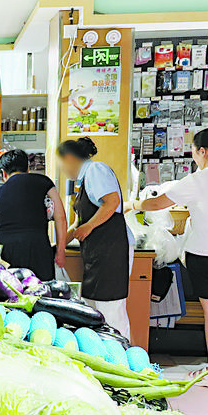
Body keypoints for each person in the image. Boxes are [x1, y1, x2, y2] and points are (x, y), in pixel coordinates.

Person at [130, 128, 208, 390]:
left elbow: (156, 204)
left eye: (194, 152)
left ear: (203, 152)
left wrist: (134, 205)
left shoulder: (195, 180)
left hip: (205, 255)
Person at [58, 137, 133, 340]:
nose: (63, 169)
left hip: (111, 251)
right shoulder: (83, 181)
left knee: (111, 311)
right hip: (97, 254)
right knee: (95, 311)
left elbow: (112, 201)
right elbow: (78, 224)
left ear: (72, 158)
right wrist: (59, 244)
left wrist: (89, 226)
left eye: (62, 163)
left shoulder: (96, 170)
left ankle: (121, 363)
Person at [0, 149, 66, 282]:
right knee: (42, 291)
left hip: (6, 250)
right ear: (27, 169)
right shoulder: (44, 181)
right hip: (36, 247)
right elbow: (60, 217)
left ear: (4, 173)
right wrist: (61, 250)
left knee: (11, 292)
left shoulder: (0, 191)